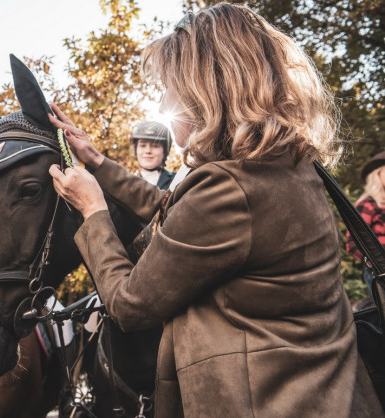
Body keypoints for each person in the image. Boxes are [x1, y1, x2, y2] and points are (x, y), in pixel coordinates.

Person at [47, 3, 382, 416]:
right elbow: (176, 215)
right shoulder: (283, 164)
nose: (162, 99)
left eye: (167, 86)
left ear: (201, 89)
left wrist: (93, 208)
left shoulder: (228, 188)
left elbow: (130, 305)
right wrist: (97, 162)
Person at [346, 150, 385, 296]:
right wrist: (377, 263)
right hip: (379, 272)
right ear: (377, 174)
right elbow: (353, 242)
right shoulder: (367, 204)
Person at [132, 121, 175, 190]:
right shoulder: (128, 184)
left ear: (165, 151)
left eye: (155, 146)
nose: (148, 151)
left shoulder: (178, 181)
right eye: (143, 145)